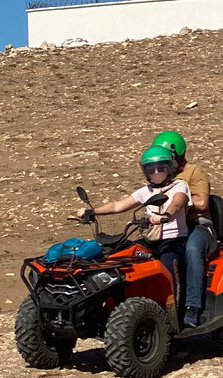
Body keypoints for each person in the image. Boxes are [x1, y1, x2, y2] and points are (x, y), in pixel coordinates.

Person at [76, 145, 191, 298]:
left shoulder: (179, 185)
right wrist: (92, 211)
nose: (156, 172)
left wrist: (166, 215)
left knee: (168, 266)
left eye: (160, 168)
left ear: (169, 168)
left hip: (175, 240)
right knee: (123, 257)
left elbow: (177, 203)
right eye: (151, 170)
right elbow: (118, 205)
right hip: (151, 239)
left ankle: (175, 311)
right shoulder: (146, 191)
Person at [151, 130, 215, 328]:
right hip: (171, 227)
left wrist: (178, 201)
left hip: (199, 226)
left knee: (192, 249)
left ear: (177, 155)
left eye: (167, 159)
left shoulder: (194, 172)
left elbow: (203, 202)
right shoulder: (161, 173)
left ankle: (192, 308)